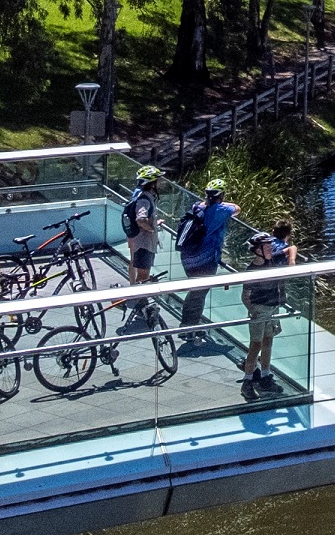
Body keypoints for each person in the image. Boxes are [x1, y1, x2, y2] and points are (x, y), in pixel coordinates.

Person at [176, 180, 237, 336]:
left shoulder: (198, 206)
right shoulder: (220, 209)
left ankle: (190, 324)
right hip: (205, 259)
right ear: (221, 195)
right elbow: (237, 209)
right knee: (199, 293)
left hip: (188, 256)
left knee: (196, 291)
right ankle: (188, 328)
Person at [241, 228, 292, 392]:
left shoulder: (272, 261)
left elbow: (291, 248)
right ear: (258, 251)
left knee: (268, 342)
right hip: (260, 310)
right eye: (267, 247)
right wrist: (252, 310)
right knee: (255, 345)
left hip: (272, 308)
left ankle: (265, 375)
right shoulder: (252, 271)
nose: (271, 249)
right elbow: (245, 295)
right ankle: (247, 381)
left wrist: (291, 262)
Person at [123, 166, 164, 283]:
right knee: (142, 276)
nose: (160, 182)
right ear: (152, 183)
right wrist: (151, 229)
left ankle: (139, 299)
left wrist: (153, 224)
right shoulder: (144, 199)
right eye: (158, 179)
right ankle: (138, 299)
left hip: (145, 244)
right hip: (144, 244)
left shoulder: (148, 197)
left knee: (144, 274)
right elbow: (140, 219)